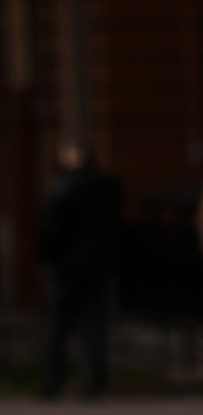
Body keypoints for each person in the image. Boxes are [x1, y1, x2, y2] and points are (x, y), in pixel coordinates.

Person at [37, 142, 123, 399]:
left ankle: (53, 383)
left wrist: (49, 255)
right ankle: (94, 382)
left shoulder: (63, 189)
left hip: (69, 268)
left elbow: (51, 229)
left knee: (60, 327)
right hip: (95, 266)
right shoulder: (106, 188)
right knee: (93, 324)